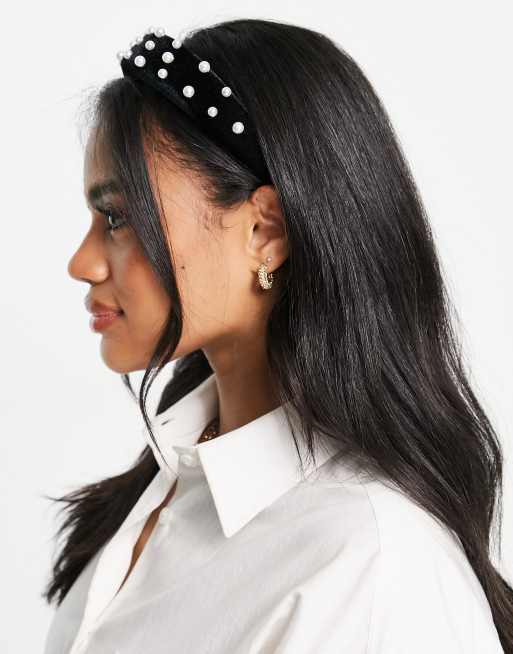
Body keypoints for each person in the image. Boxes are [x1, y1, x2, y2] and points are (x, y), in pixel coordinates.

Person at [42, 17, 511, 654]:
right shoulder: (165, 487)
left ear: (266, 231)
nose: (83, 263)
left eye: (118, 217)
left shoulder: (372, 567)